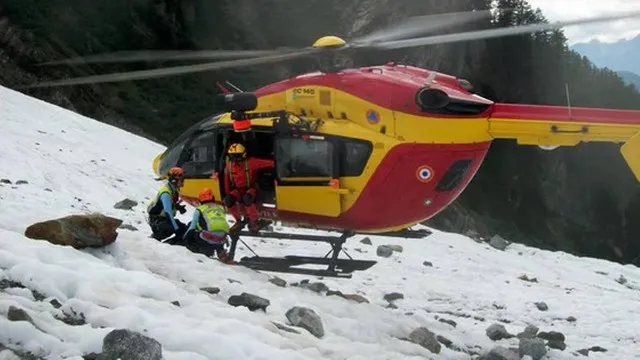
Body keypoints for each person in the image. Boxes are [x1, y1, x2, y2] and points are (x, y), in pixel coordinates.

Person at [223, 143, 274, 233]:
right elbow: (226, 182)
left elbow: (269, 163)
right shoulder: (229, 166)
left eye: (237, 156)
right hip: (238, 190)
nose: (235, 159)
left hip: (251, 189)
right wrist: (227, 194)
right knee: (228, 200)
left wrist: (281, 165)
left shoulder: (251, 162)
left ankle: (254, 222)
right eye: (233, 156)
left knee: (247, 198)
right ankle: (238, 221)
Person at [183, 188, 233, 263]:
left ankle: (195, 253)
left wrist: (185, 238)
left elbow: (192, 227)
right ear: (212, 197)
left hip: (206, 239)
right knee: (217, 233)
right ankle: (221, 252)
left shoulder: (199, 209)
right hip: (222, 239)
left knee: (192, 231)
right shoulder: (220, 208)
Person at [147, 167, 188, 243]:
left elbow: (170, 204)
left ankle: (169, 245)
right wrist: (176, 227)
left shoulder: (173, 191)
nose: (183, 181)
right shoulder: (166, 193)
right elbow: (168, 212)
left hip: (163, 219)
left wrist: (178, 207)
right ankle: (154, 240)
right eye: (181, 179)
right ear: (174, 180)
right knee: (170, 229)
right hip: (157, 220)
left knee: (184, 229)